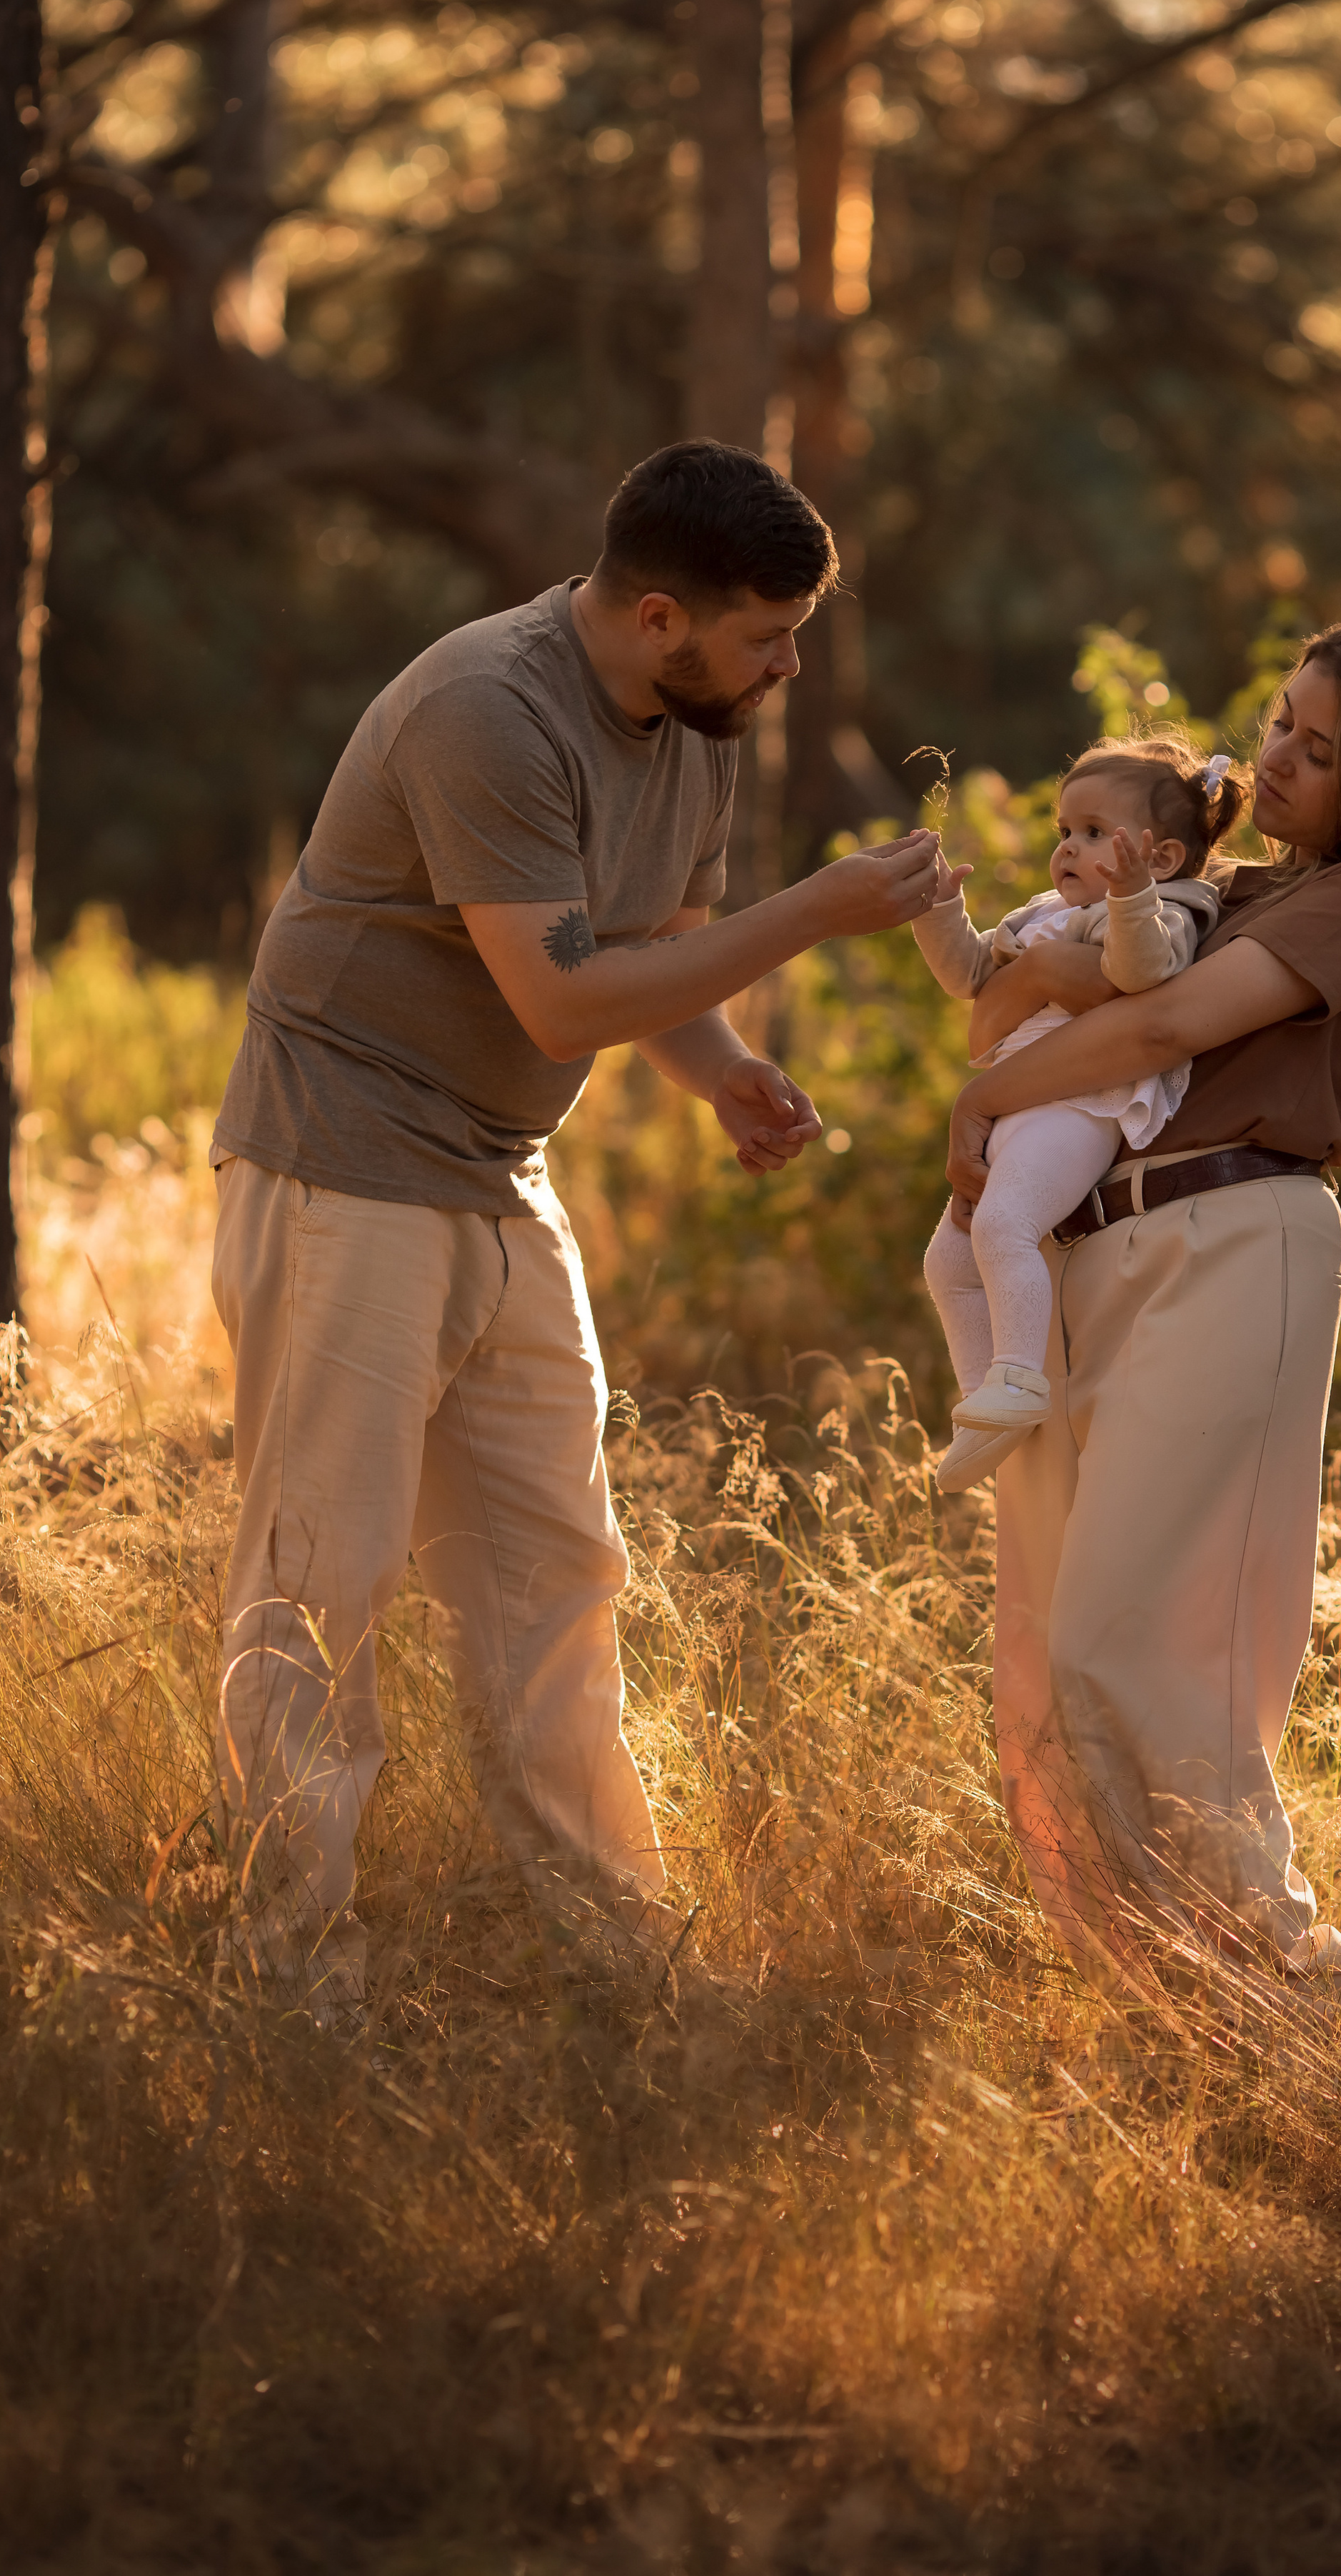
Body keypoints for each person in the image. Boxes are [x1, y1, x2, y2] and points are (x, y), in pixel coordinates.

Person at [209, 438, 943, 2013]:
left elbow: (659, 953)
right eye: (766, 637)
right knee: (318, 1582)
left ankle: (623, 1968)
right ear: (660, 617)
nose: (789, 667)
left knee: (557, 1571)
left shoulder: (695, 722)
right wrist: (815, 910)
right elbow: (559, 998)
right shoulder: (490, 708)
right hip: (346, 1165)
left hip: (493, 1176)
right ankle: (283, 1982)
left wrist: (729, 1074)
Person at [944, 616, 1341, 2086]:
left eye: (1320, 748)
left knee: (1135, 1646)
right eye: (1274, 724)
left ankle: (1315, 1996)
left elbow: (1164, 1020)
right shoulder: (1243, 884)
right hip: (1103, 1249)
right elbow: (1039, 977)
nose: (1277, 759)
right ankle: (1188, 2020)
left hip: (1228, 1237)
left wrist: (983, 1113)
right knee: (1055, 1659)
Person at [913, 738, 1242, 1491]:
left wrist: (1129, 898)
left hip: (1082, 1102)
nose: (1067, 849)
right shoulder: (1042, 916)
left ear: (1157, 859)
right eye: (1064, 831)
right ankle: (983, 1404)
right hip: (1017, 1101)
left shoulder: (1169, 908)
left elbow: (1139, 974)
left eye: (1094, 833)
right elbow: (970, 979)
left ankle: (1019, 1378)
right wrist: (937, 911)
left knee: (1004, 1226)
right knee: (949, 1260)